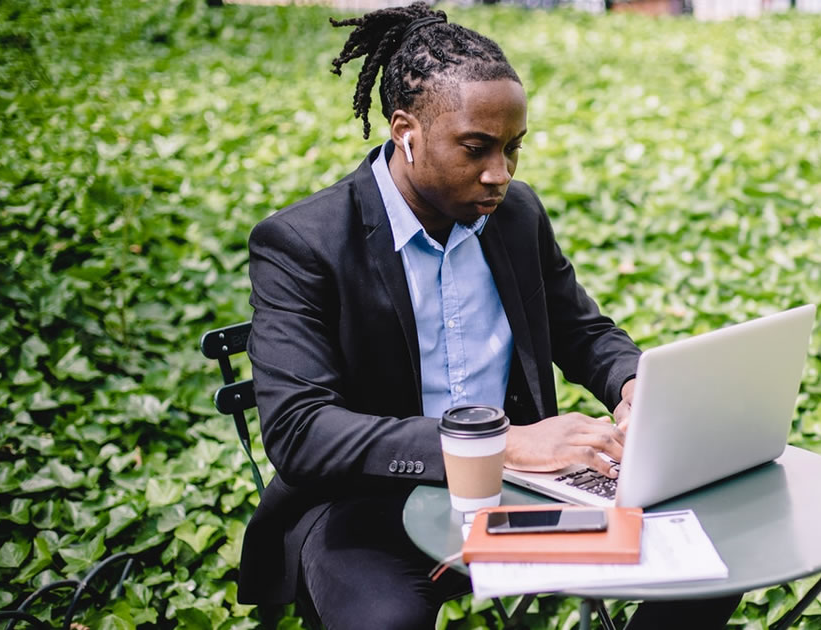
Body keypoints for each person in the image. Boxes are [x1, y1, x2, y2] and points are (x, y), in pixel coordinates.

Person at [237, 3, 741, 628]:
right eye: (476, 149)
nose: (499, 174)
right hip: (369, 503)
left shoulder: (515, 215)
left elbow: (580, 330)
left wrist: (635, 385)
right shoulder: (302, 243)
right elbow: (301, 432)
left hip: (528, 493)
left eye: (513, 148)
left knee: (708, 564)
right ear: (406, 131)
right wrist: (505, 446)